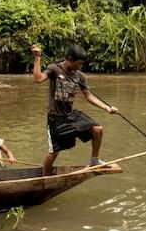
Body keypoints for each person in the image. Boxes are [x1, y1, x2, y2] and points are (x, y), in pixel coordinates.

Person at [31, 44, 119, 176]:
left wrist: (107, 107)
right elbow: (38, 78)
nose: (80, 67)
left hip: (71, 116)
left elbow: (89, 96)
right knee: (52, 154)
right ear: (70, 59)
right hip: (56, 118)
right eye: (79, 63)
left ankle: (94, 160)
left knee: (97, 130)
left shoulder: (80, 76)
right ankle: (44, 178)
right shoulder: (54, 69)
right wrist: (37, 58)